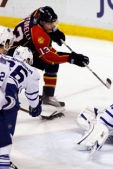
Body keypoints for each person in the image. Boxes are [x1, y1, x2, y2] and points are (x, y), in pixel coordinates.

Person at [7, 6, 89, 110]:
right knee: (51, 64)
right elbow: (51, 57)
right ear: (41, 22)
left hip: (20, 47)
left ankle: (48, 96)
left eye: (53, 23)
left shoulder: (38, 13)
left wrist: (54, 31)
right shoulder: (38, 35)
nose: (52, 25)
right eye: (50, 23)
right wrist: (71, 58)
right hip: (14, 53)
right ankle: (47, 97)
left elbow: (44, 16)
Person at [0, 26, 42, 169]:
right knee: (5, 136)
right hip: (8, 99)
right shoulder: (33, 72)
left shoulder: (3, 58)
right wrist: (35, 107)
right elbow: (32, 97)